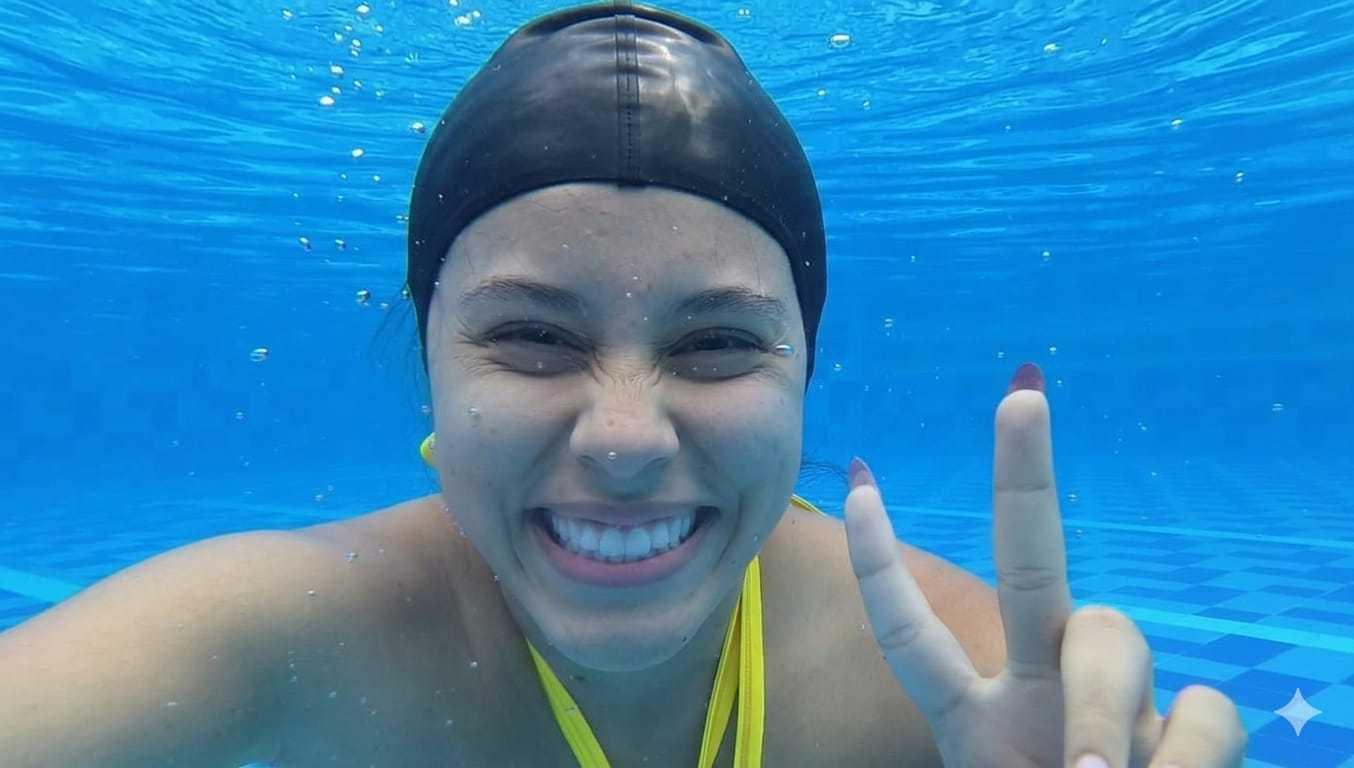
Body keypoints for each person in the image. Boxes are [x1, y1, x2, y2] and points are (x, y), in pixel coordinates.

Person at [0, 3, 1247, 767]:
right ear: (428, 364)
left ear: (806, 370)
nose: (624, 437)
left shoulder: (950, 685)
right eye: (531, 339)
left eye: (717, 345)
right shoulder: (287, 634)